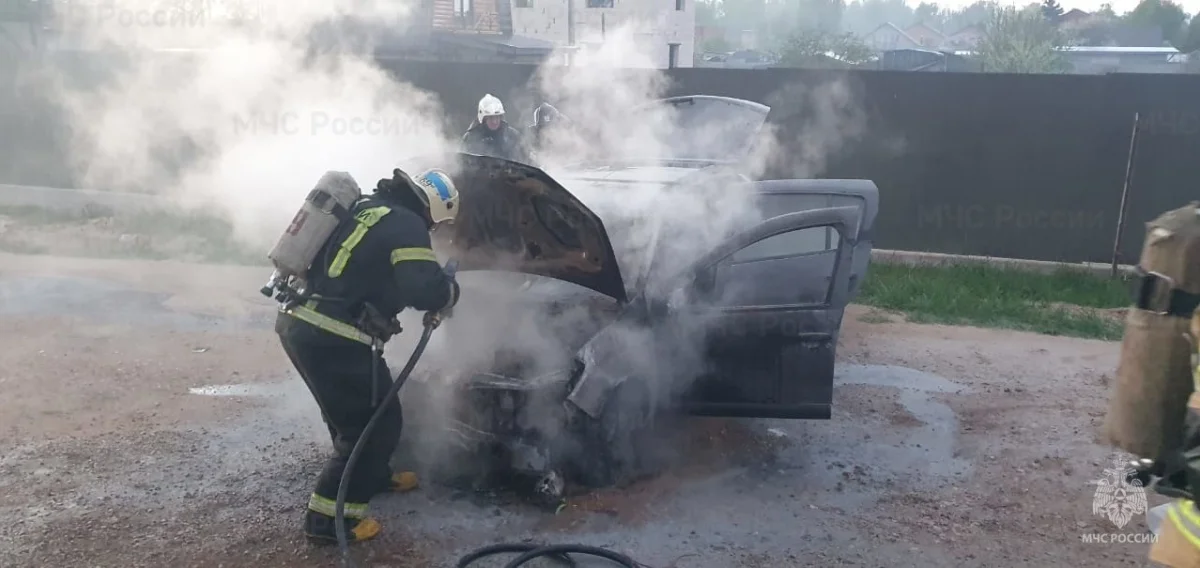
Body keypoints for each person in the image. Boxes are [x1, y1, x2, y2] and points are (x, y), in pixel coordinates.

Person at [275, 167, 461, 545]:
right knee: (373, 427)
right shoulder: (408, 223)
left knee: (358, 412)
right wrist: (449, 291)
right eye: (439, 223)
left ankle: (370, 476)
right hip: (333, 335)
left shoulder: (368, 207)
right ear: (435, 210)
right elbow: (423, 290)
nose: (435, 229)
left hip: (301, 323)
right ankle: (327, 522)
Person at [461, 93, 529, 163]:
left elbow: (526, 160)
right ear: (483, 118)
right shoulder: (470, 138)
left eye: (497, 117)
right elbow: (462, 163)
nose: (494, 121)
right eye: (491, 117)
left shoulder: (513, 136)